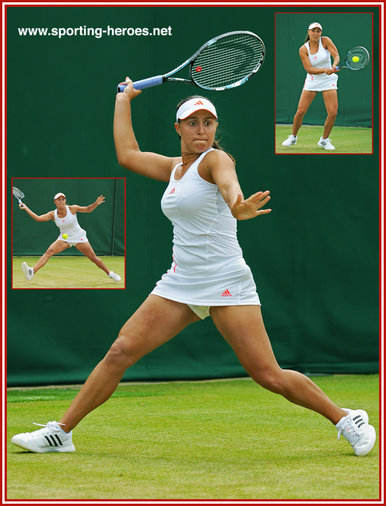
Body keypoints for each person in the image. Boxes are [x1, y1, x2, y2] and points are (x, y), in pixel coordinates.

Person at [11, 81, 375, 457]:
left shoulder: (217, 160)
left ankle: (347, 419)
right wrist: (122, 99)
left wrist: (237, 205)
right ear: (178, 128)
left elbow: (230, 187)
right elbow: (127, 153)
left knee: (267, 374)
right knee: (121, 351)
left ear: (215, 128)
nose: (202, 129)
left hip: (226, 281)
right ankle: (61, 432)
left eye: (208, 122)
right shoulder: (173, 169)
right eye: (193, 122)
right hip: (181, 282)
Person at [18, 193, 121, 282]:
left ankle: (110, 273)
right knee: (49, 252)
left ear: (65, 201)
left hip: (79, 237)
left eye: (63, 199)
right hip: (64, 238)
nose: (61, 201)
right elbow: (38, 218)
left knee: (93, 258)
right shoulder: (52, 214)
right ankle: (31, 272)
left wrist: (96, 203)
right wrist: (26, 208)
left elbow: (88, 209)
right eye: (59, 199)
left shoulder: (72, 208)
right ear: (55, 202)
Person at [281, 22, 340, 150]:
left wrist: (334, 66)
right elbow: (309, 69)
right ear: (308, 32)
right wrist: (326, 69)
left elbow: (336, 55)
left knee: (333, 112)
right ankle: (293, 137)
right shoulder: (303, 49)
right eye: (313, 31)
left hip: (328, 80)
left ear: (321, 33)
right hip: (313, 80)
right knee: (301, 111)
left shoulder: (325, 41)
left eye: (318, 31)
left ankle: (324, 140)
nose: (316, 33)